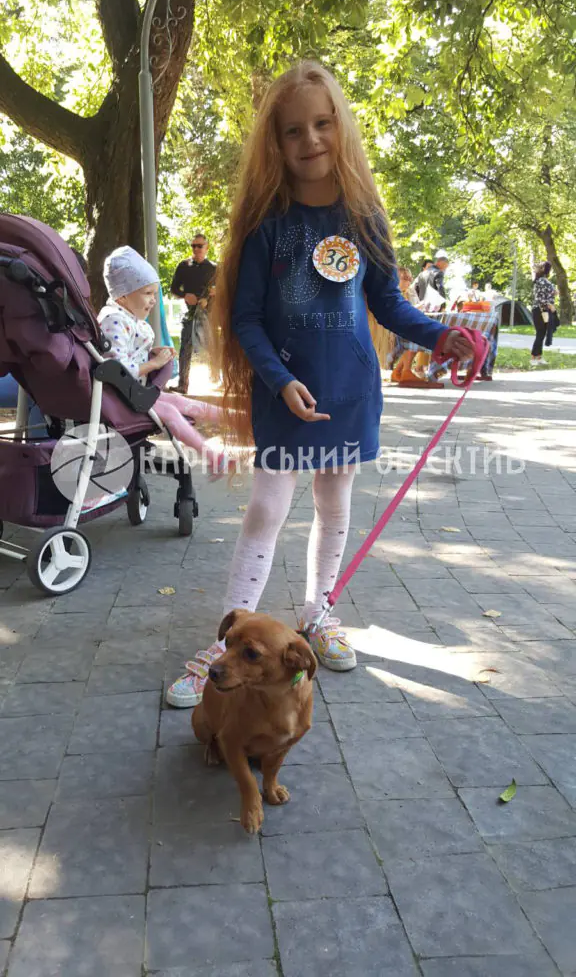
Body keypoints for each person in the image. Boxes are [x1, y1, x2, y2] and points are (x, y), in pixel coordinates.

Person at [166, 60, 473, 708]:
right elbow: (247, 318)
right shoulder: (267, 225)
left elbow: (388, 303)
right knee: (266, 510)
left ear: (341, 128)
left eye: (322, 124)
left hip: (350, 395)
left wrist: (440, 336)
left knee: (335, 505)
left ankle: (318, 612)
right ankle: (230, 642)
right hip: (284, 398)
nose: (310, 139)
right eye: (293, 130)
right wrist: (279, 381)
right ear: (275, 143)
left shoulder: (365, 217)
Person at [99, 246, 233, 477]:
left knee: (183, 402)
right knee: (171, 412)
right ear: (123, 296)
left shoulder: (126, 317)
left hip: (135, 393)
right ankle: (213, 457)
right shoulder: (114, 321)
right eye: (147, 293)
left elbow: (127, 353)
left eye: (154, 294)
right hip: (123, 399)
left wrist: (152, 353)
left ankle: (242, 420)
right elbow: (116, 369)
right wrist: (153, 364)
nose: (153, 300)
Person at [170, 234, 217, 393]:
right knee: (185, 347)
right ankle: (183, 384)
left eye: (199, 246)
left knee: (213, 347)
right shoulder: (183, 266)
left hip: (210, 314)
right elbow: (174, 289)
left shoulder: (214, 268)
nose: (196, 249)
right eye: (193, 246)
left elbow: (224, 289)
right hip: (190, 313)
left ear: (207, 247)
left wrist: (210, 297)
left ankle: (217, 378)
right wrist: (185, 295)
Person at [531, 261, 555, 367]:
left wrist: (553, 293)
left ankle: (538, 357)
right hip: (540, 309)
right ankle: (533, 357)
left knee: (542, 333)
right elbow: (539, 298)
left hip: (543, 310)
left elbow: (545, 294)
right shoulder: (542, 281)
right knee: (540, 333)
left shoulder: (542, 280)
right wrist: (549, 304)